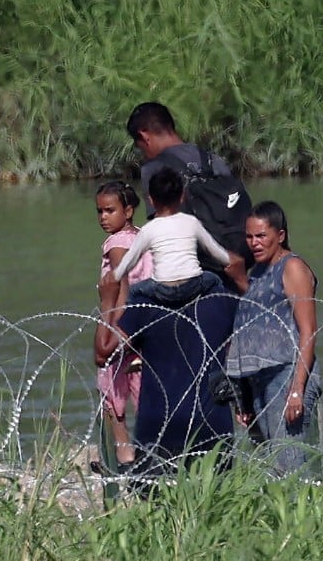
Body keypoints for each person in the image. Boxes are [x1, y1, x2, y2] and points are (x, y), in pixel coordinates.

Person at [95, 269, 237, 480]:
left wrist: (108, 301)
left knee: (156, 502)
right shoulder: (221, 301)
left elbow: (103, 354)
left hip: (158, 425)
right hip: (212, 421)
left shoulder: (145, 307)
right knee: (217, 498)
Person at [225, 201, 321, 474]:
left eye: (261, 236)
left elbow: (308, 330)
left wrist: (296, 389)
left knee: (289, 463)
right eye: (249, 236)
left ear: (280, 236)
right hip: (259, 380)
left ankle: (305, 515)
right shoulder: (257, 273)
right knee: (271, 465)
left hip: (287, 375)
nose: (254, 243)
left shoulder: (292, 267)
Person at [126, 101, 254, 290]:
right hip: (238, 261)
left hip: (195, 271)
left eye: (140, 147)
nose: (143, 153)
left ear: (145, 136)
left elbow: (163, 227)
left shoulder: (154, 169)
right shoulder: (211, 159)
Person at [110, 167, 247, 305]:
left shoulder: (148, 229)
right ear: (182, 196)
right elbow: (214, 251)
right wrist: (228, 259)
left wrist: (115, 276)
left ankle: (124, 324)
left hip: (162, 289)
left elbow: (130, 260)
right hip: (193, 285)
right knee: (215, 279)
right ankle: (221, 309)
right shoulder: (192, 222)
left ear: (150, 200)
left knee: (133, 291)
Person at [92, 181, 153, 470]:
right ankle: (155, 455)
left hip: (122, 324)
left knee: (111, 394)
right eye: (99, 211)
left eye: (110, 210)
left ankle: (125, 459)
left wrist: (114, 330)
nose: (103, 217)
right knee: (145, 395)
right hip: (147, 323)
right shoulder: (141, 237)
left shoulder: (117, 245)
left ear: (128, 211)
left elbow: (121, 285)